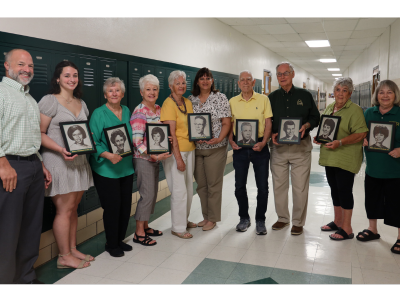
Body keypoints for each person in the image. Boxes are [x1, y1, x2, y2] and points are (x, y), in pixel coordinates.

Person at [0, 49, 52, 284]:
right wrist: (3, 164)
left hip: (31, 166)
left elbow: (32, 137)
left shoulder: (29, 99)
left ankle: (26, 277)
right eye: (21, 64)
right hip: (10, 168)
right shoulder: (1, 94)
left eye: (30, 66)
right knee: (8, 231)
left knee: (31, 228)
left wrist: (40, 164)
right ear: (6, 66)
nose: (27, 69)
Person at [39, 61, 94, 269]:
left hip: (79, 161)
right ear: (58, 79)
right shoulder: (49, 101)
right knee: (64, 210)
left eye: (75, 75)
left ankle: (72, 249)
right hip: (59, 161)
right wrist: (61, 149)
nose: (72, 79)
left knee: (73, 209)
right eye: (67, 75)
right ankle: (63, 256)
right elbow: (40, 133)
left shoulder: (81, 103)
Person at [269, 62, 320, 235]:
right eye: (279, 74)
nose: (282, 77)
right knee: (279, 186)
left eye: (286, 73)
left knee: (299, 187)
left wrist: (306, 125)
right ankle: (283, 218)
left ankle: (298, 222)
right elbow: (267, 121)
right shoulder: (272, 97)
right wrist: (271, 135)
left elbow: (315, 117)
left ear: (292, 74)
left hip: (301, 148)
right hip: (279, 149)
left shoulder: (304, 95)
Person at [316, 77, 368, 240]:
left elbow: (361, 134)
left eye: (344, 90)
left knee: (344, 191)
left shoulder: (355, 110)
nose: (340, 93)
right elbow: (325, 128)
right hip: (330, 157)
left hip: (346, 158)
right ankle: (338, 221)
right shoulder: (330, 107)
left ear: (350, 94)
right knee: (334, 190)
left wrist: (340, 142)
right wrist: (320, 138)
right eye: (338, 90)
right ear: (333, 92)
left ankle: (347, 228)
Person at [89, 77, 134, 257]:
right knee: (112, 207)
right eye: (110, 90)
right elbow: (93, 141)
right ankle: (111, 243)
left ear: (122, 94)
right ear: (105, 94)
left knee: (125, 206)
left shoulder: (127, 110)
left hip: (126, 167)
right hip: (106, 169)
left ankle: (119, 239)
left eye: (117, 90)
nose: (114, 93)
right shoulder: (98, 113)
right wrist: (108, 155)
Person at [357, 80, 400, 254]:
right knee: (372, 200)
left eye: (389, 92)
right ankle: (372, 229)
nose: (385, 96)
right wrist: (363, 139)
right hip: (373, 167)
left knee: (396, 204)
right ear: (376, 95)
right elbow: (363, 133)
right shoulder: (369, 113)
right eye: (381, 92)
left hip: (395, 169)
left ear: (395, 95)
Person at [229, 70, 272, 235]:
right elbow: (229, 124)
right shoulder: (232, 101)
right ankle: (244, 218)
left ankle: (260, 220)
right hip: (240, 149)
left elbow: (268, 123)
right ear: (238, 83)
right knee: (239, 186)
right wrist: (231, 141)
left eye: (249, 80)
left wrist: (264, 142)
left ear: (254, 83)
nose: (245, 82)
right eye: (242, 80)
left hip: (259, 147)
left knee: (263, 187)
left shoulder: (263, 99)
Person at [130, 74, 172, 246]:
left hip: (155, 158)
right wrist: (151, 155)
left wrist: (166, 140)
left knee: (152, 193)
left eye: (155, 89)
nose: (152, 92)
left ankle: (146, 226)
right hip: (144, 159)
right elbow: (136, 141)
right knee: (147, 195)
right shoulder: (140, 112)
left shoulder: (158, 109)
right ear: (141, 92)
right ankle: (139, 233)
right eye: (148, 89)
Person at [188, 67, 231, 231]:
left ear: (212, 81)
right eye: (202, 78)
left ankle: (212, 219)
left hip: (216, 148)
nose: (205, 81)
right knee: (201, 185)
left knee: (213, 184)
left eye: (208, 78)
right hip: (197, 149)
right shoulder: (191, 100)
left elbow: (226, 122)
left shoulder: (220, 98)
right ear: (197, 81)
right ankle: (205, 217)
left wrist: (219, 138)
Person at [161, 70, 196, 239]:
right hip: (177, 152)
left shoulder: (188, 102)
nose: (181, 86)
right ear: (170, 86)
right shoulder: (168, 104)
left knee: (189, 189)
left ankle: (184, 219)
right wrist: (178, 158)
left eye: (183, 83)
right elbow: (171, 133)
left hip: (190, 149)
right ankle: (178, 227)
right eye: (177, 83)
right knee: (179, 190)